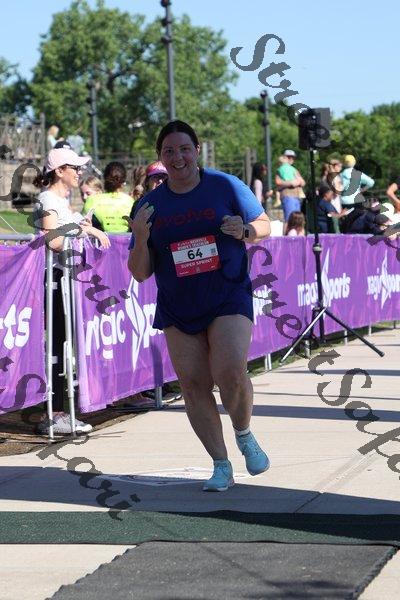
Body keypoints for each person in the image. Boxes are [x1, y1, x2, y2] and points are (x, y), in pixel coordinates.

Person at [127, 120, 271, 492]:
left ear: (197, 150)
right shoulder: (148, 205)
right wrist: (140, 238)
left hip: (228, 293)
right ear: (160, 157)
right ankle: (221, 465)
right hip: (178, 305)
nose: (178, 158)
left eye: (184, 149)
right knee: (192, 384)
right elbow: (140, 273)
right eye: (169, 151)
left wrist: (245, 231)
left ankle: (243, 432)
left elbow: (264, 224)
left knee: (230, 371)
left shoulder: (225, 185)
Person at [33, 147, 110, 435]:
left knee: (66, 346)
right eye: (74, 168)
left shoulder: (60, 201)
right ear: (59, 171)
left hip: (67, 281)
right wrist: (84, 231)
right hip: (54, 281)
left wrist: (81, 225)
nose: (79, 172)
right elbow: (51, 240)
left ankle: (61, 412)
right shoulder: (47, 199)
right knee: (57, 347)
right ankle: (54, 414)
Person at [82, 161, 133, 233]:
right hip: (127, 240)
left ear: (104, 178)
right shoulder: (131, 202)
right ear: (123, 181)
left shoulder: (91, 201)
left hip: (99, 240)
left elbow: (82, 226)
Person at [275, 149, 305, 222]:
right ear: (284, 158)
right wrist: (290, 183)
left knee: (297, 220)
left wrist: (298, 181)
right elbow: (278, 182)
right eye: (289, 157)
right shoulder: (280, 169)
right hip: (287, 195)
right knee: (289, 219)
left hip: (297, 196)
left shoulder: (294, 169)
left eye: (293, 157)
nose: (291, 159)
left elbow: (303, 182)